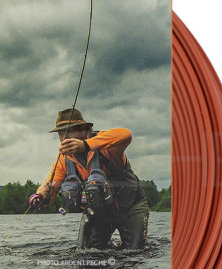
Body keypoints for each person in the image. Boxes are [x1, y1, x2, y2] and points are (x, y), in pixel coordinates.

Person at [29, 107, 149, 250]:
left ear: (84, 129)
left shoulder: (106, 144)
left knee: (135, 253)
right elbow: (51, 189)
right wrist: (42, 195)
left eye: (68, 131)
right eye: (60, 133)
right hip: (99, 214)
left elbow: (126, 134)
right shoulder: (63, 159)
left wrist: (85, 146)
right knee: (86, 253)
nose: (63, 138)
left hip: (131, 208)